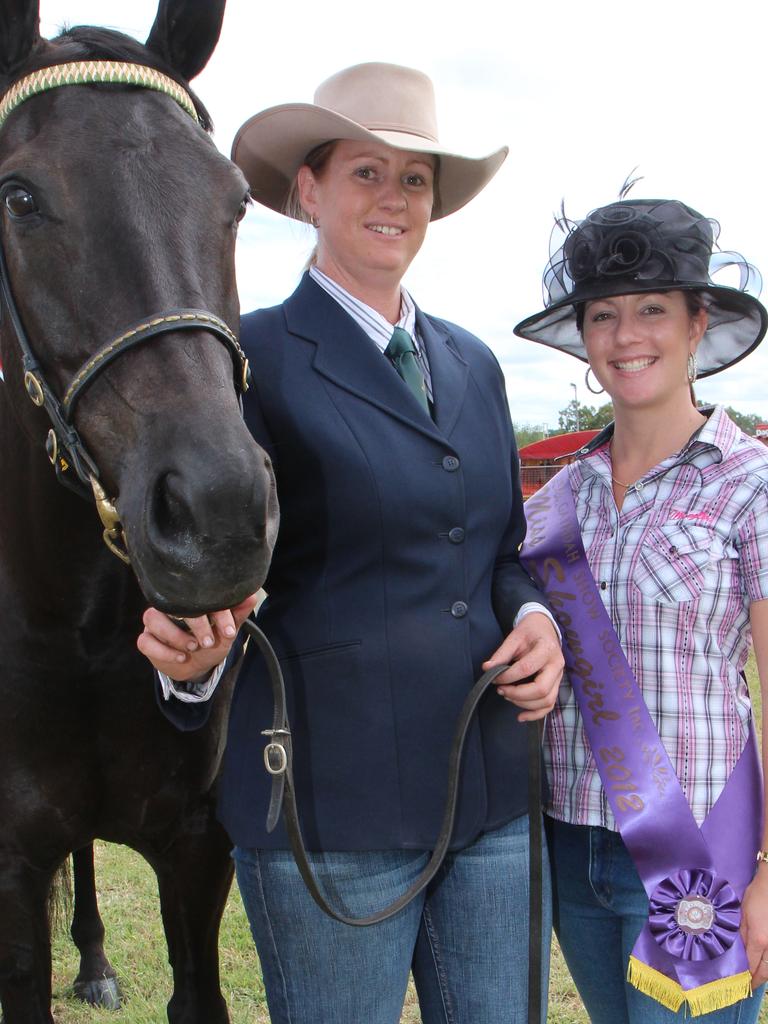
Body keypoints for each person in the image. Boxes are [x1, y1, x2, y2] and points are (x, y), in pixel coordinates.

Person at [137, 62, 564, 1024]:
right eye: (366, 172)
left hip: (492, 795)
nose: (394, 198)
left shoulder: (475, 363)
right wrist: (192, 664)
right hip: (331, 811)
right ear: (309, 189)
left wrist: (534, 616)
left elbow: (499, 551)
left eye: (414, 179)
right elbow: (206, 575)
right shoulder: (245, 360)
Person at [514, 195, 768, 1023]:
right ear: (583, 337)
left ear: (698, 323)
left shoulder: (752, 487)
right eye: (604, 315)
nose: (627, 337)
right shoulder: (552, 503)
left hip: (699, 854)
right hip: (567, 846)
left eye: (653, 309)